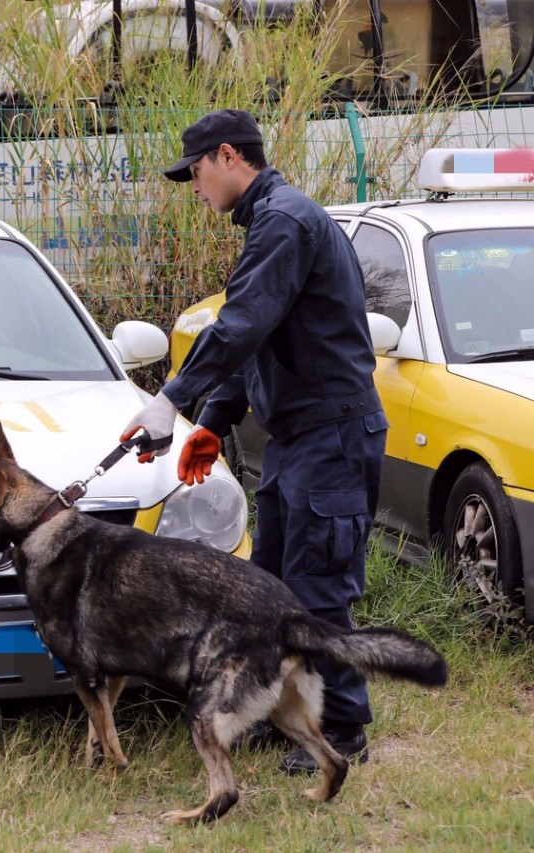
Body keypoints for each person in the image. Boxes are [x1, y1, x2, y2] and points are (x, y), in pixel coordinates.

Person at [120, 109, 389, 774]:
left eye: (196, 171)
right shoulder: (271, 222)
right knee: (270, 586)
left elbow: (238, 327)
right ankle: (288, 715)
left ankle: (345, 728)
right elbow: (258, 339)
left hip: (332, 434)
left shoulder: (284, 222)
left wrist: (170, 401)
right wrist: (214, 419)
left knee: (318, 587)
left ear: (230, 155)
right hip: (297, 439)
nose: (192, 186)